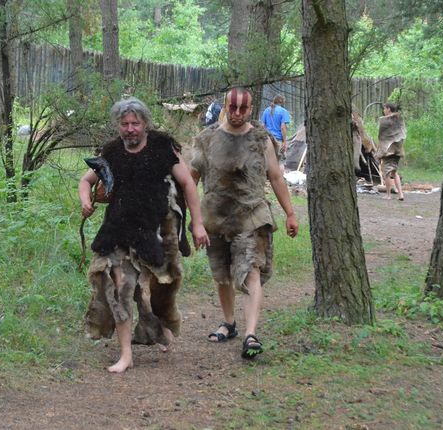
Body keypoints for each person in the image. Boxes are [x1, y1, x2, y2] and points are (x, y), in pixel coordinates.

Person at [79, 97, 210, 373]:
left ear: (145, 124)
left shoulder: (162, 148)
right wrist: (86, 201)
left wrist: (197, 224)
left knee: (150, 294)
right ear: (119, 126)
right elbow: (86, 180)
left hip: (154, 232)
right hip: (117, 230)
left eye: (135, 123)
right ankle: (126, 354)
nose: (130, 129)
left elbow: (187, 183)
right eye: (125, 124)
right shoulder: (112, 151)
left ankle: (158, 328)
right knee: (119, 286)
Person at [190, 87, 299, 359]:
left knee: (251, 270)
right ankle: (229, 323)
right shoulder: (206, 138)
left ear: (251, 109)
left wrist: (290, 213)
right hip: (215, 216)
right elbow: (190, 180)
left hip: (251, 215)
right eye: (232, 108)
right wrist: (192, 220)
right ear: (225, 106)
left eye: (243, 109)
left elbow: (275, 177)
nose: (237, 113)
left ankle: (251, 334)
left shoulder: (261, 139)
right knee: (222, 275)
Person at [376, 102, 406, 201]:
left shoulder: (385, 121)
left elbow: (382, 137)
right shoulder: (399, 120)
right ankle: (401, 194)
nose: (384, 111)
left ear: (389, 109)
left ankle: (388, 195)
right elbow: (402, 135)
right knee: (394, 172)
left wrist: (380, 152)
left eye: (384, 109)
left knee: (387, 173)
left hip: (388, 151)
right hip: (397, 150)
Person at [261, 94, 291, 174]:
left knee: (267, 160)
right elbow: (283, 127)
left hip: (267, 139)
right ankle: (280, 180)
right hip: (278, 140)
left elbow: (263, 126)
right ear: (282, 102)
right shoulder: (283, 112)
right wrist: (285, 142)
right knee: (280, 161)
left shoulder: (266, 110)